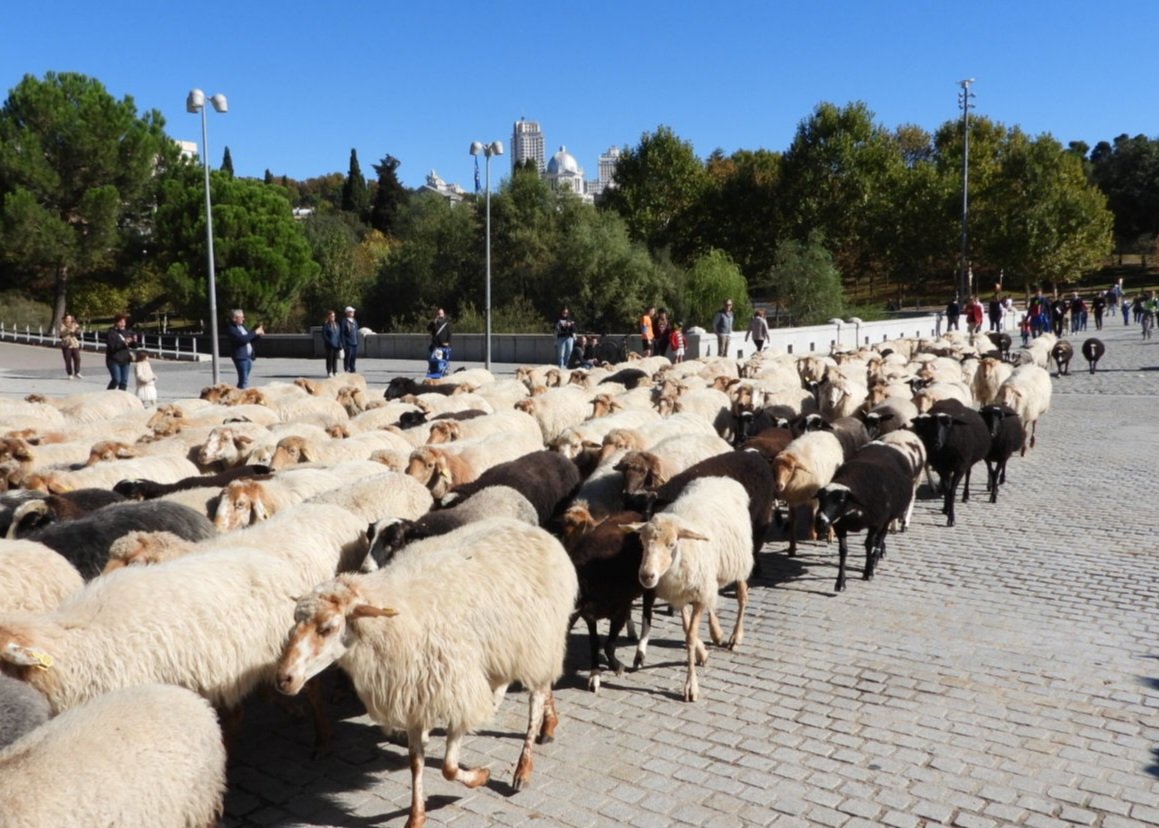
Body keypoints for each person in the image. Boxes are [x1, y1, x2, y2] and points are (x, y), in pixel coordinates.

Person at [226, 309, 263, 390]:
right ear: (234, 318)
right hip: (240, 357)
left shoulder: (242, 327)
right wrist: (255, 332)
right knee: (244, 380)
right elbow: (242, 339)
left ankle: (237, 393)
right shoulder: (231, 329)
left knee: (243, 379)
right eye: (241, 317)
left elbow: (249, 338)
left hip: (248, 356)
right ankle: (241, 396)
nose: (243, 319)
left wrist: (258, 335)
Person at [104, 313, 137, 391]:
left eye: (124, 321)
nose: (123, 323)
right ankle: (107, 395)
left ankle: (121, 398)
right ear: (116, 322)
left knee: (124, 381)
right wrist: (124, 342)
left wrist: (134, 341)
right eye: (121, 321)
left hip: (125, 359)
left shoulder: (128, 332)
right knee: (116, 379)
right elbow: (112, 347)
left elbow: (134, 346)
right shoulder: (111, 332)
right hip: (114, 359)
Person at [58, 313, 82, 379]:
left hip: (74, 344)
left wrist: (77, 330)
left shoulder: (74, 324)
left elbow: (78, 331)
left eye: (70, 318)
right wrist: (70, 329)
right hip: (66, 344)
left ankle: (77, 372)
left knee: (77, 358)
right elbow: (62, 333)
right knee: (68, 360)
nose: (68, 320)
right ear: (65, 319)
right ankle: (70, 374)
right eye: (67, 318)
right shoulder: (62, 325)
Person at [321, 310, 341, 377]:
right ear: (328, 317)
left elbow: (338, 335)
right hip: (329, 345)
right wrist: (329, 342)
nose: (333, 317)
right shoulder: (326, 325)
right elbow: (324, 335)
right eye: (331, 316)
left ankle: (335, 371)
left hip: (336, 345)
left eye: (334, 316)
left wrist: (339, 344)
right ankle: (329, 371)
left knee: (335, 359)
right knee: (329, 358)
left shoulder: (337, 324)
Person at [340, 306, 360, 373]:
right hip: (348, 343)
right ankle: (346, 369)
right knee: (348, 357)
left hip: (354, 342)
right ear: (347, 313)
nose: (353, 313)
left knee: (353, 357)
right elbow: (342, 333)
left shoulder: (354, 321)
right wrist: (343, 343)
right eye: (351, 311)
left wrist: (357, 341)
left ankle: (353, 369)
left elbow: (356, 331)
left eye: (353, 311)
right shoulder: (344, 321)